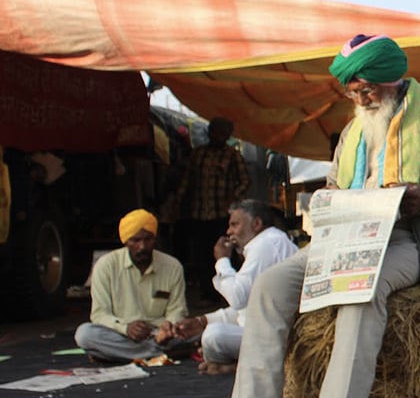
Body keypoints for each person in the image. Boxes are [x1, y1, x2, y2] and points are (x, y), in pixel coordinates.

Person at [190, 34, 420, 398]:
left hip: (411, 240)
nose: (358, 97)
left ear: (391, 81)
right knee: (270, 286)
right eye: (352, 90)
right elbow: (334, 187)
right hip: (345, 238)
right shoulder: (352, 131)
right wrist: (328, 200)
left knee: (360, 292)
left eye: (366, 89)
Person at [172, 199, 298, 375]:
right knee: (210, 331)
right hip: (268, 331)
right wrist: (202, 321)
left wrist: (222, 260)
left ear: (256, 224)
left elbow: (238, 298)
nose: (229, 232)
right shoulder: (268, 242)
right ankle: (236, 365)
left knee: (213, 336)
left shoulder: (265, 245)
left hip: (279, 337)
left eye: (234, 225)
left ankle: (234, 368)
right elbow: (247, 310)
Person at [75, 209, 191, 362]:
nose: (142, 246)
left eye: (147, 239)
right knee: (84, 334)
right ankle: (154, 353)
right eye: (135, 240)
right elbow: (99, 314)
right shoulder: (106, 266)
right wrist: (126, 328)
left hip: (159, 335)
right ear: (125, 241)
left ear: (154, 239)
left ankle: (118, 354)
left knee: (203, 330)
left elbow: (177, 310)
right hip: (121, 333)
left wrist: (168, 328)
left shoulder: (172, 266)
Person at [174, 116, 250, 291]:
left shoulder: (232, 155)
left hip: (221, 214)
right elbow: (187, 180)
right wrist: (178, 201)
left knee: (224, 252)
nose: (219, 137)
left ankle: (225, 291)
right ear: (210, 133)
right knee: (202, 253)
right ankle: (206, 291)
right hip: (199, 212)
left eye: (223, 134)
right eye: (216, 133)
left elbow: (245, 181)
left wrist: (232, 198)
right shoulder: (198, 154)